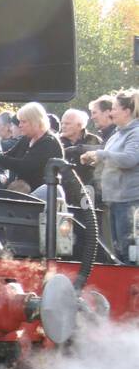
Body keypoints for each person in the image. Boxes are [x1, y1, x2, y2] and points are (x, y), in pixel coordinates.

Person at [0, 102, 79, 201]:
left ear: (35, 122)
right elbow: (8, 156)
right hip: (25, 193)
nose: (19, 125)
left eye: (23, 122)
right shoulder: (27, 139)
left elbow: (23, 166)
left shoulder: (49, 143)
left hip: (43, 197)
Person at [81, 91, 139, 262]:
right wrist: (93, 159)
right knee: (119, 251)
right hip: (115, 200)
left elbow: (130, 159)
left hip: (129, 201)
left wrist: (100, 154)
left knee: (129, 251)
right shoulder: (117, 134)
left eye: (114, 108)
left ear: (127, 111)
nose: (111, 113)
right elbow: (110, 159)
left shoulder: (135, 133)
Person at [60, 108, 102, 200]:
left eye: (67, 123)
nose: (63, 126)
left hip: (89, 191)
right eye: (62, 123)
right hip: (64, 191)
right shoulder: (57, 141)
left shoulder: (94, 141)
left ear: (79, 125)